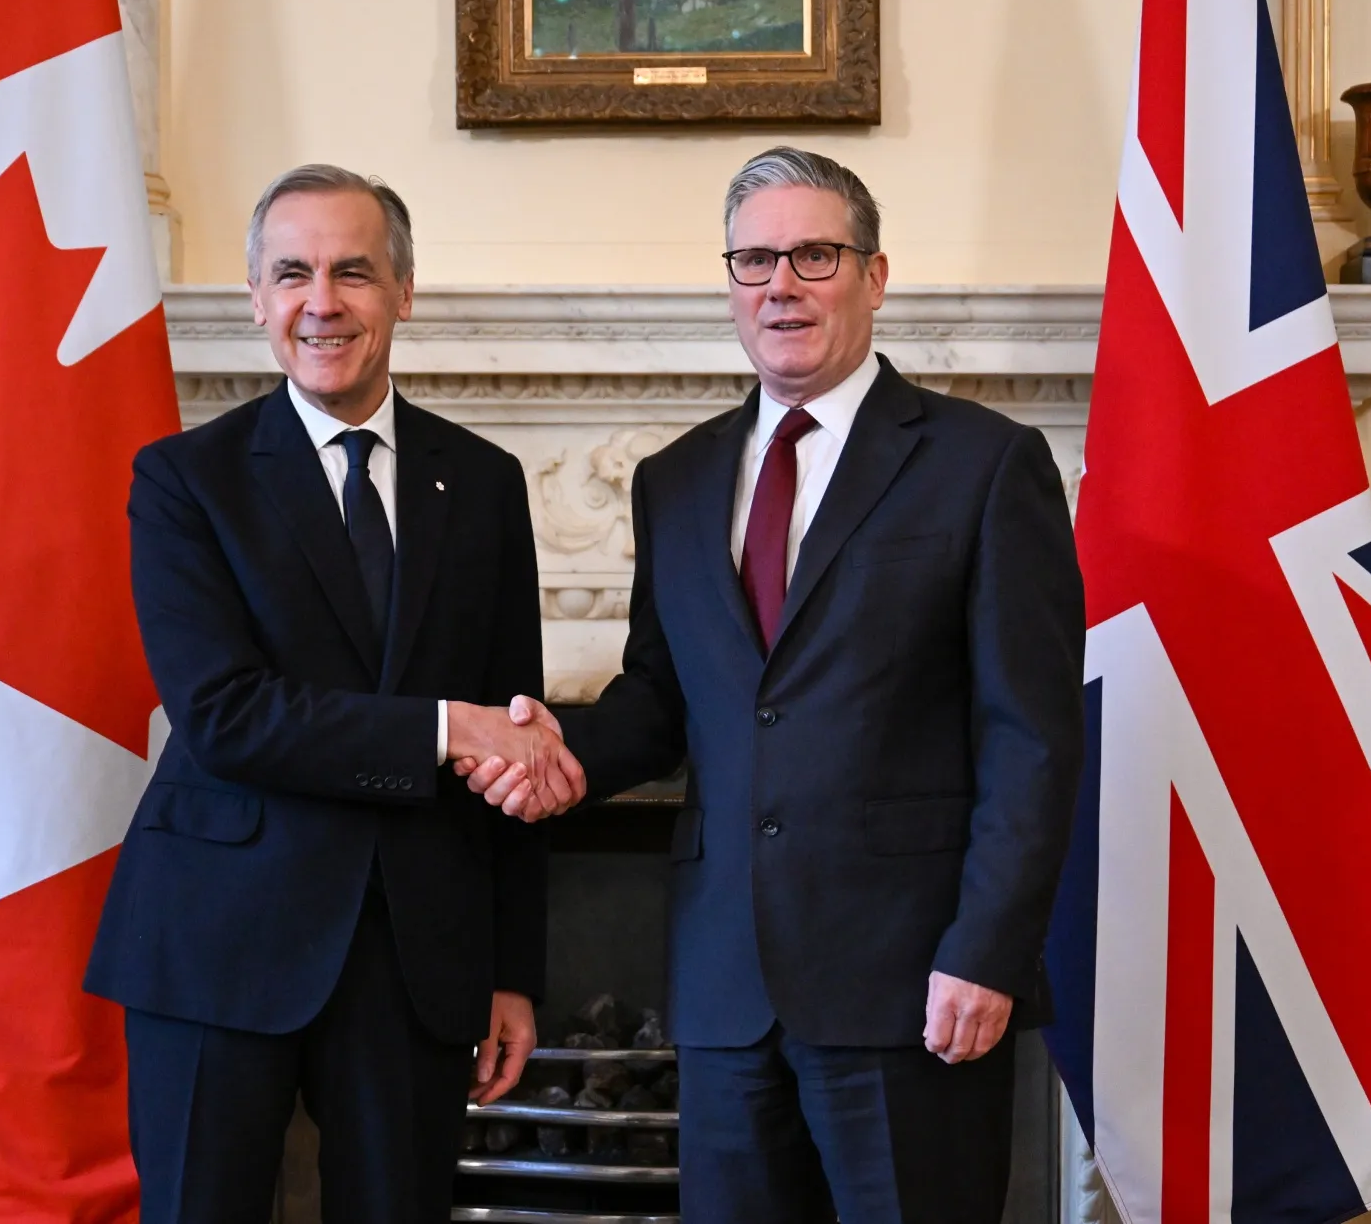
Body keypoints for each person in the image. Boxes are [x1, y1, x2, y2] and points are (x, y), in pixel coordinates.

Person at [460, 147, 1086, 1223]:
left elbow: (1030, 735)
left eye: (813, 254)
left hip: (912, 988)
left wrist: (985, 951)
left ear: (874, 276)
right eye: (754, 259)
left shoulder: (983, 466)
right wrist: (549, 753)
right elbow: (660, 700)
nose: (780, 284)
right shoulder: (678, 478)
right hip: (723, 993)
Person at [84, 165, 585, 1224]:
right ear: (257, 298)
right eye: (293, 273)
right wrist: (446, 729)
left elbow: (517, 737)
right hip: (216, 945)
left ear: (403, 291)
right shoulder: (184, 481)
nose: (324, 301)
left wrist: (510, 971)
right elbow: (223, 714)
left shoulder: (483, 481)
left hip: (414, 954)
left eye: (353, 271)